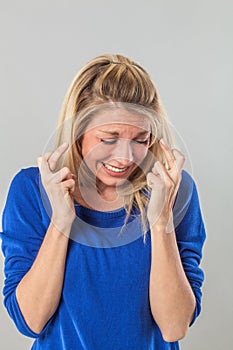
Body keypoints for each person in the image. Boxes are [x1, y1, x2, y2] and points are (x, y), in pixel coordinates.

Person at [0, 54, 206, 349]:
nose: (125, 157)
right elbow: (31, 320)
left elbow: (174, 326)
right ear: (78, 131)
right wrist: (60, 221)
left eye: (140, 139)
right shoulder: (32, 190)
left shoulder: (175, 190)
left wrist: (161, 221)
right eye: (109, 138)